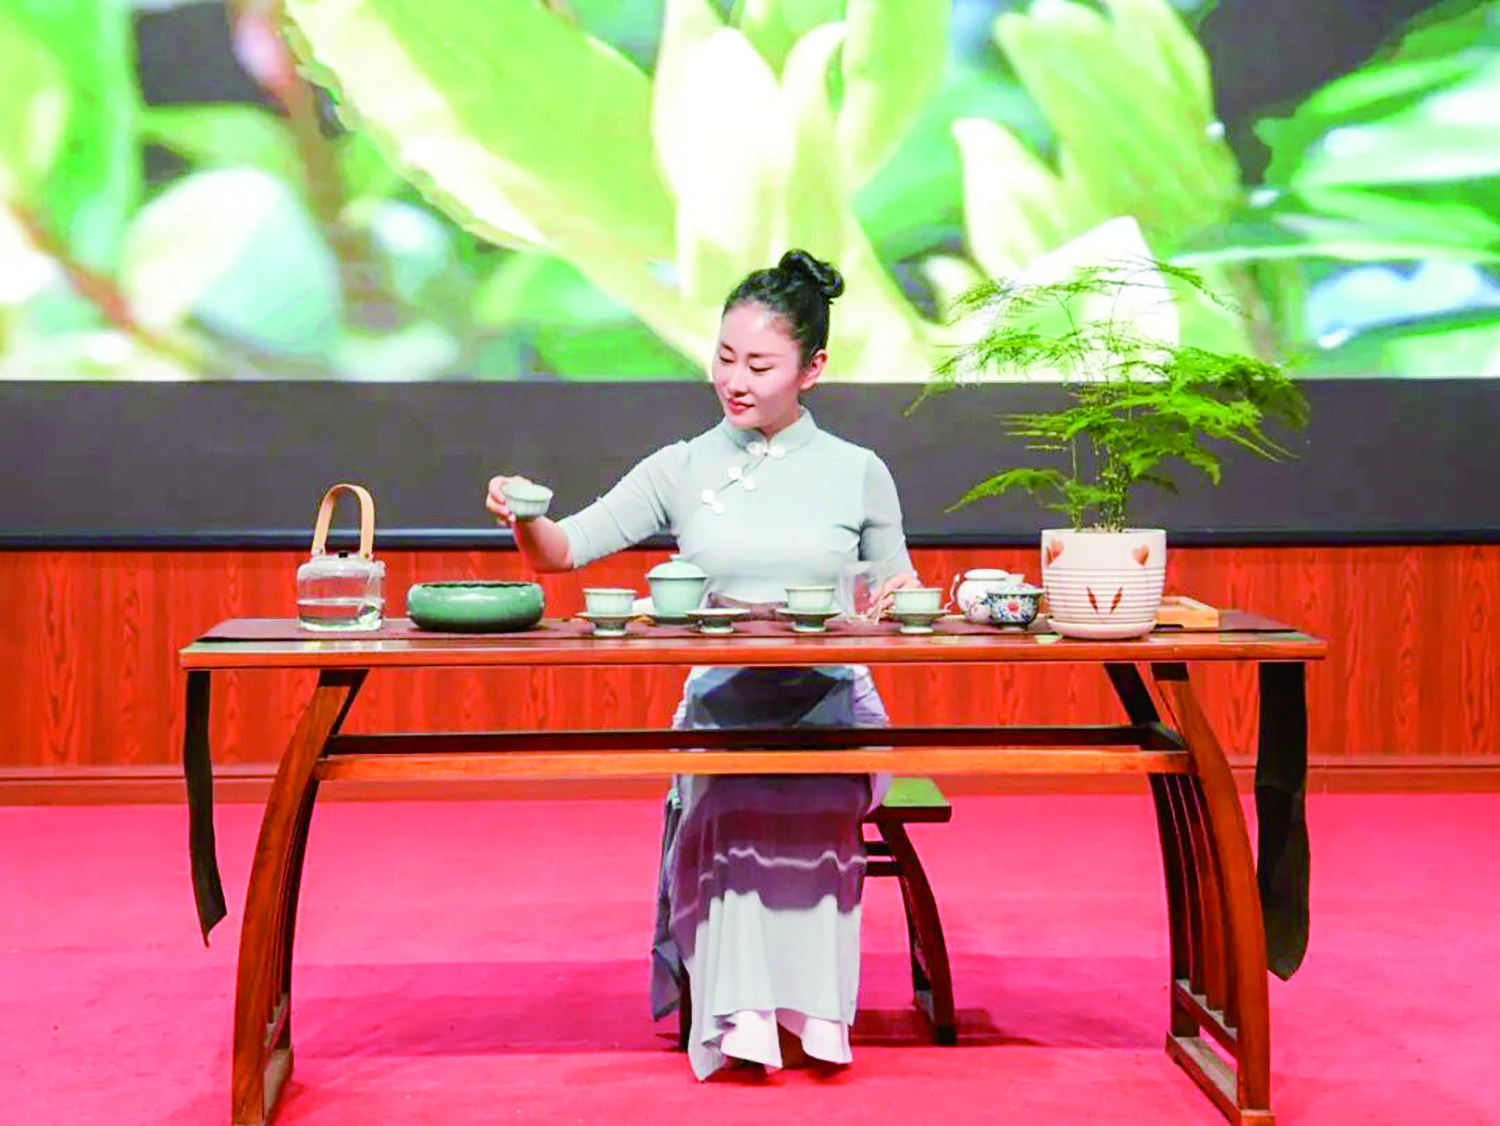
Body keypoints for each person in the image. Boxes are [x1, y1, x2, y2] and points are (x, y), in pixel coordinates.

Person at [485, 249, 922, 1078]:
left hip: (832, 704)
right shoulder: (680, 465)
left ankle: (814, 1014)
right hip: (725, 703)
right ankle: (739, 1015)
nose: (734, 380)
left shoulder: (859, 471)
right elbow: (563, 551)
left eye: (760, 364)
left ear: (813, 369)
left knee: (807, 790)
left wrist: (892, 599)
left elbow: (897, 589)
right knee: (734, 791)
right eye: (724, 357)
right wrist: (524, 515)